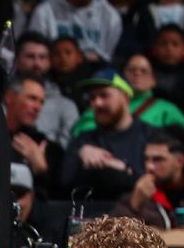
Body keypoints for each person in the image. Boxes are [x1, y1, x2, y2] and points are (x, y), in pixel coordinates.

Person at [61, 69, 154, 199]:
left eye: (104, 95)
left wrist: (120, 167)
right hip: (94, 215)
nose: (97, 103)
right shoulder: (84, 141)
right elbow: (64, 185)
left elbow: (156, 184)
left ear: (125, 97)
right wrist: (81, 154)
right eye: (92, 98)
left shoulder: (151, 136)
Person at [72, 54, 184, 138]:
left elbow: (181, 142)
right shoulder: (100, 103)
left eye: (144, 71)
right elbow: (82, 133)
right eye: (131, 70)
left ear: (154, 80)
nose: (137, 74)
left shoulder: (167, 109)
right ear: (121, 77)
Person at [13, 32, 80, 150]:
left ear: (49, 62)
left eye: (42, 57)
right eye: (30, 56)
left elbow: (69, 149)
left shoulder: (66, 105)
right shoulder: (2, 97)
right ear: (16, 60)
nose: (37, 63)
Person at [4, 74, 63, 199]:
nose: (37, 107)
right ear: (9, 97)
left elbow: (54, 199)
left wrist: (41, 170)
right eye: (32, 98)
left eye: (41, 102)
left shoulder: (46, 147)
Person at [27, 0, 122, 64]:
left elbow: (107, 55)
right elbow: (36, 51)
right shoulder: (44, 12)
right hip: (53, 72)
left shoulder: (111, 17)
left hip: (95, 74)